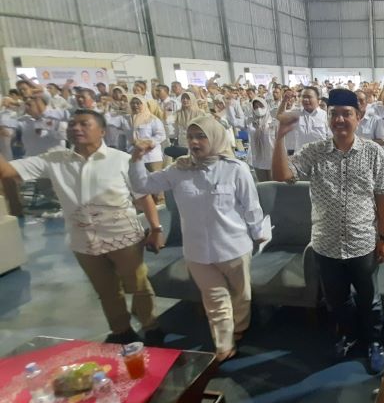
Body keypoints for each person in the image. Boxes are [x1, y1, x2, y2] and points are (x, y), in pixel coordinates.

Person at [0, 109, 165, 344]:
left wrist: (156, 229)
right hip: (84, 242)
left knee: (139, 285)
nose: (76, 128)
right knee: (107, 291)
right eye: (73, 124)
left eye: (84, 124)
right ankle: (121, 331)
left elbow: (142, 196)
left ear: (102, 131)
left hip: (124, 238)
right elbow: (5, 171)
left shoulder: (120, 160)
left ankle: (151, 326)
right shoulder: (55, 160)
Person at [272, 89, 384, 373]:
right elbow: (282, 175)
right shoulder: (315, 152)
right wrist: (280, 136)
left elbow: (383, 197)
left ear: (359, 117)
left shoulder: (373, 153)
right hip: (326, 245)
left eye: (346, 114)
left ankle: (374, 342)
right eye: (334, 114)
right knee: (336, 300)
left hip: (363, 243)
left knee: (370, 299)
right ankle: (348, 335)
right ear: (328, 117)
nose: (340, 119)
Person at [129, 115, 270, 362]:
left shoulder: (235, 169)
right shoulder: (178, 170)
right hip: (198, 252)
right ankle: (224, 345)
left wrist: (259, 233)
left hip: (234, 247)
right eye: (191, 137)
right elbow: (142, 184)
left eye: (201, 136)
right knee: (215, 301)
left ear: (215, 138)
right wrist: (137, 158)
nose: (194, 142)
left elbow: (251, 206)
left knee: (242, 295)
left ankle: (239, 326)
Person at [246, 98, 275, 181]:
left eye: (261, 106)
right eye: (255, 107)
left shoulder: (273, 122)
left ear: (266, 106)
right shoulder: (250, 123)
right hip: (257, 159)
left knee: (273, 184)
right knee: (263, 185)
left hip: (271, 159)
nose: (258, 109)